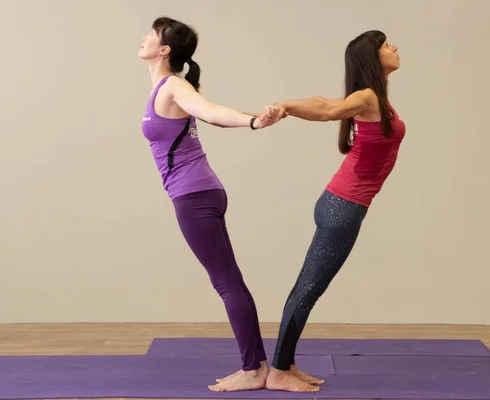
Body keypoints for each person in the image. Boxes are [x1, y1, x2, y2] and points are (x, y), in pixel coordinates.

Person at [137, 17, 285, 392]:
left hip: (195, 196)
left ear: (164, 49)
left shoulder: (173, 86)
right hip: (197, 192)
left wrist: (253, 122)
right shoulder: (161, 87)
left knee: (227, 283)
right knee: (229, 281)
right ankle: (257, 365)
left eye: (151, 36)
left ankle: (254, 370)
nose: (144, 39)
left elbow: (212, 112)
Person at [264, 30, 406, 393]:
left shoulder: (375, 97)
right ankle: (278, 371)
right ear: (373, 58)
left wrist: (293, 105)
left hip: (341, 204)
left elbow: (326, 103)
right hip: (342, 208)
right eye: (386, 45)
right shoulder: (368, 96)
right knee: (309, 289)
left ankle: (286, 363)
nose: (394, 47)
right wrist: (287, 106)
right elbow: (325, 108)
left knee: (306, 287)